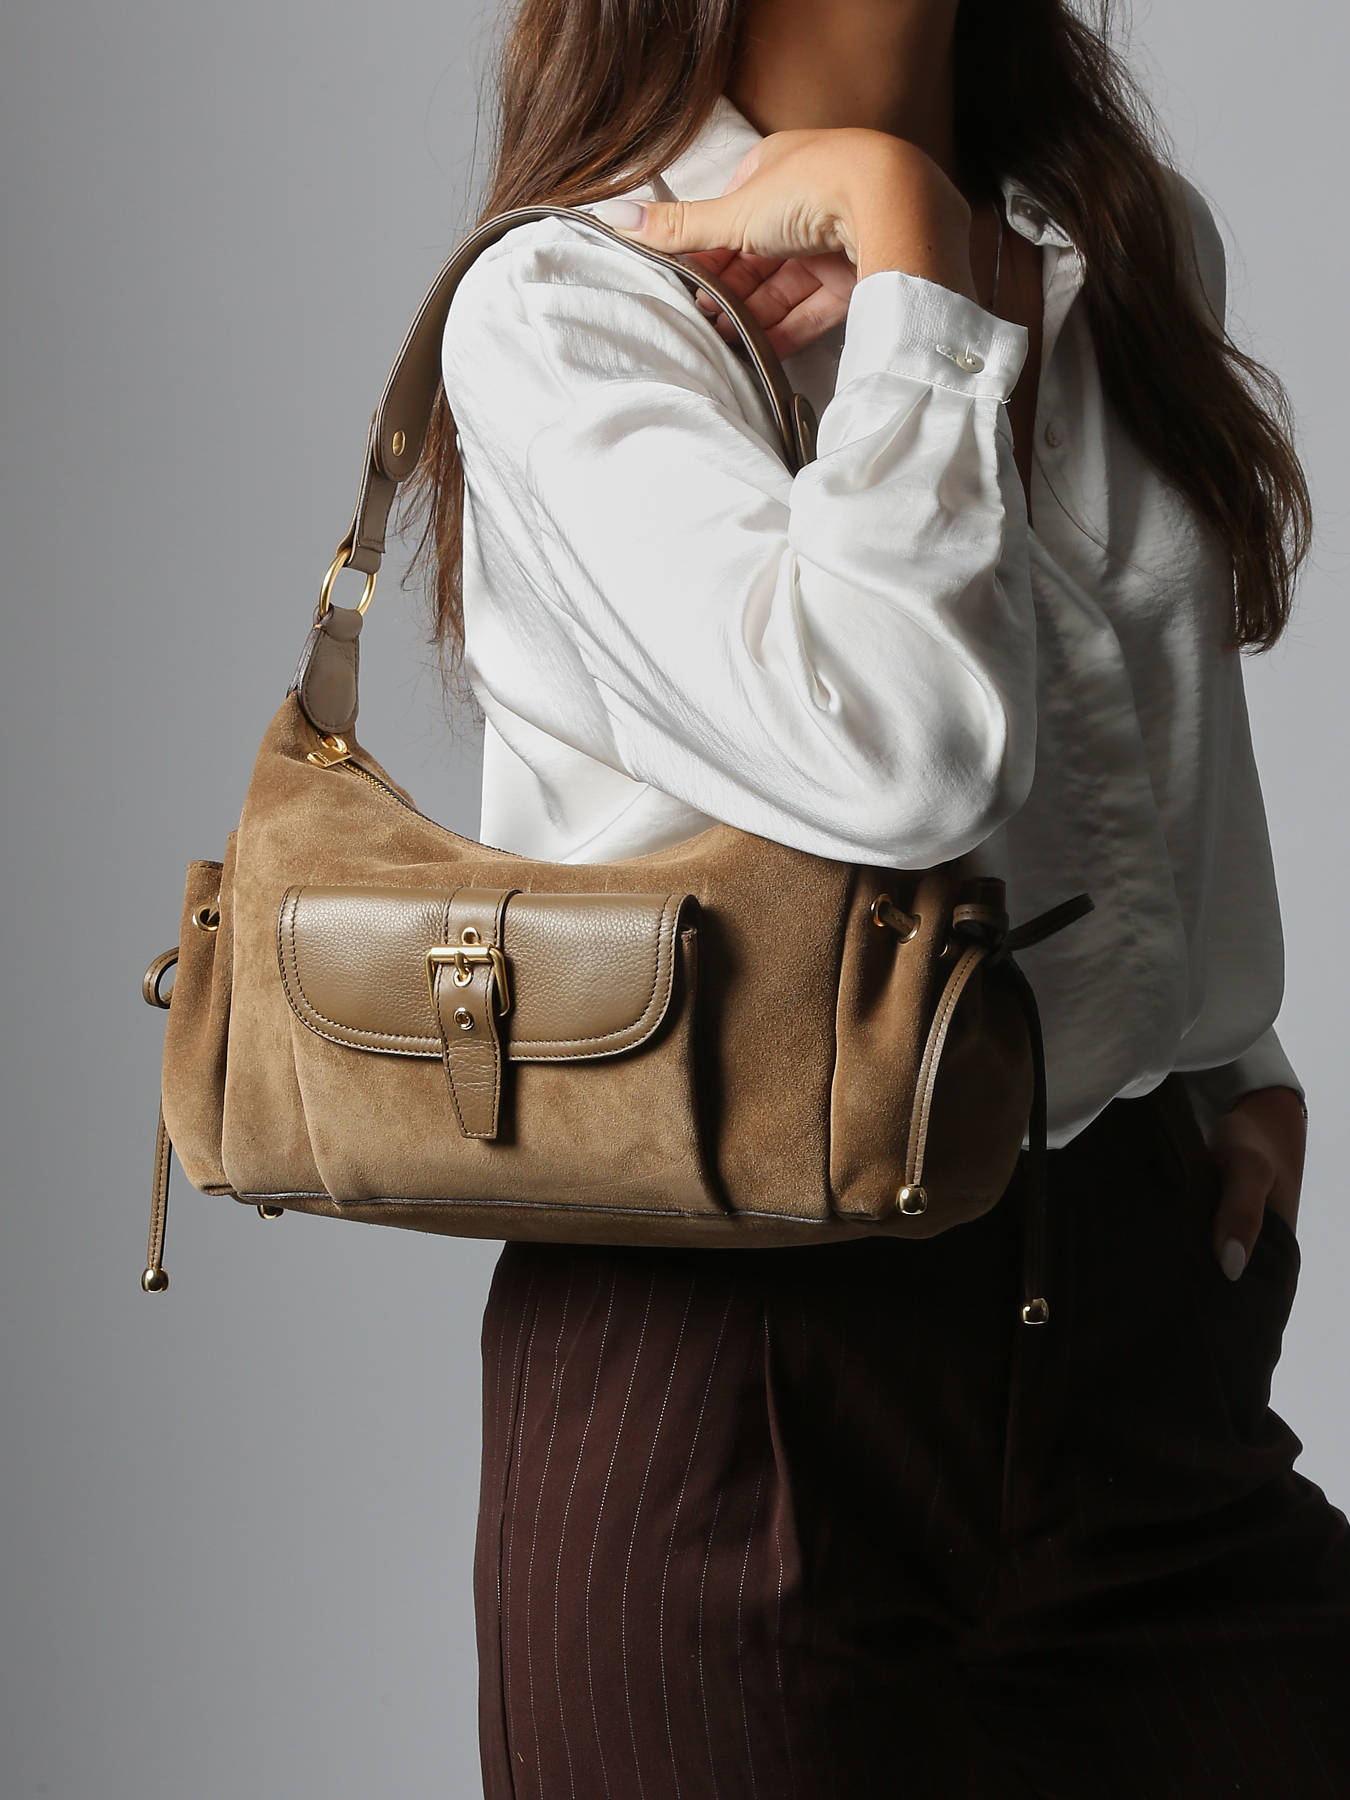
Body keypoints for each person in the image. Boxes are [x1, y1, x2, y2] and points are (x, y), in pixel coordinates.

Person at [408, 0, 1350, 1792]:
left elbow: (1132, 724)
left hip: (1132, 1335)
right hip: (734, 1379)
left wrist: (1231, 1062)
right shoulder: (575, 303)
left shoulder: (1120, 234)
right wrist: (909, 260)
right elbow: (905, 755)